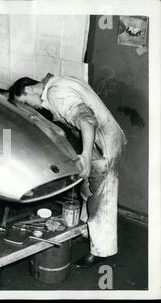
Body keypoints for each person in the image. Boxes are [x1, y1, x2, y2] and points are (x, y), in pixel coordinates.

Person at [9, 74, 127, 268]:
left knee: (102, 196)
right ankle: (87, 232)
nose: (32, 108)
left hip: (104, 143)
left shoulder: (56, 93)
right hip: (105, 138)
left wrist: (86, 156)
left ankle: (103, 251)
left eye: (26, 102)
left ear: (29, 90)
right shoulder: (57, 81)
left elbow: (87, 121)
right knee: (89, 190)